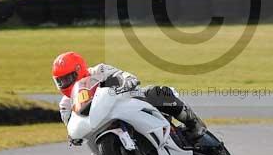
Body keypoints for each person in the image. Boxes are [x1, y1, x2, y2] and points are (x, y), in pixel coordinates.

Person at [52, 51, 208, 140]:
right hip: (102, 125)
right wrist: (74, 136)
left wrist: (127, 80)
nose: (65, 83)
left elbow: (123, 75)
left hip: (128, 101)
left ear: (80, 70)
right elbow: (71, 126)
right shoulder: (65, 105)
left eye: (68, 78)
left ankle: (194, 124)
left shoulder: (98, 71)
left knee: (158, 93)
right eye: (61, 81)